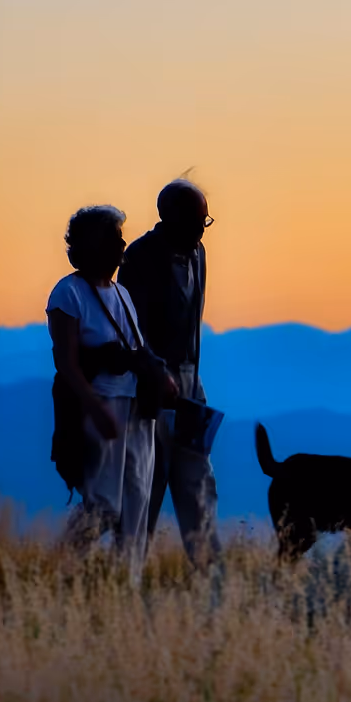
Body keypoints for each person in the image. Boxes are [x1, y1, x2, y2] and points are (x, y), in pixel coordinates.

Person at [48, 205, 177, 580]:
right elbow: (67, 364)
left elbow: (137, 346)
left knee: (137, 497)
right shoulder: (68, 293)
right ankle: (60, 569)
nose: (122, 244)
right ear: (90, 245)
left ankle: (127, 584)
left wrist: (161, 376)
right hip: (102, 404)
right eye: (113, 237)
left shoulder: (121, 293)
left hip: (137, 406)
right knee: (104, 503)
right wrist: (94, 408)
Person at [121, 178, 221, 567]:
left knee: (198, 479)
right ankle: (130, 572)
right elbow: (134, 328)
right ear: (169, 216)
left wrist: (191, 381)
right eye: (196, 220)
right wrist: (156, 375)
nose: (202, 228)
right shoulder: (140, 256)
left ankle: (210, 575)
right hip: (154, 386)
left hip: (192, 384)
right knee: (147, 483)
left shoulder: (200, 253)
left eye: (205, 221)